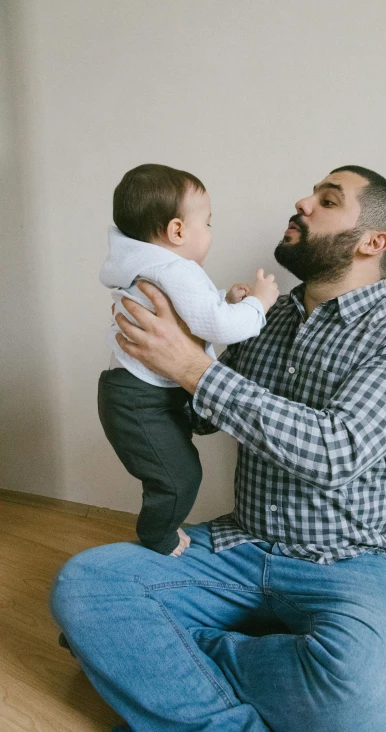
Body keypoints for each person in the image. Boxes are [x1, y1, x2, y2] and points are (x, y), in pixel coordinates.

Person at [51, 165, 386, 732]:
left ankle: (176, 653)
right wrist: (163, 358)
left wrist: (193, 367)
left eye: (327, 200)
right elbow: (207, 417)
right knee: (85, 588)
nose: (302, 202)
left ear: (373, 242)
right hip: (237, 545)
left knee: (363, 709)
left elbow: (335, 451)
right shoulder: (263, 317)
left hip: (345, 562)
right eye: (312, 192)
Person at [98, 164, 279, 555]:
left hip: (137, 392)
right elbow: (219, 328)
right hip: (139, 398)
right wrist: (257, 303)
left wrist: (223, 300)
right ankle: (157, 537)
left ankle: (160, 527)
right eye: (208, 223)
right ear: (178, 231)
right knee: (179, 477)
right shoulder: (178, 268)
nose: (211, 233)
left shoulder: (151, 267)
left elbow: (192, 311)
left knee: (178, 464)